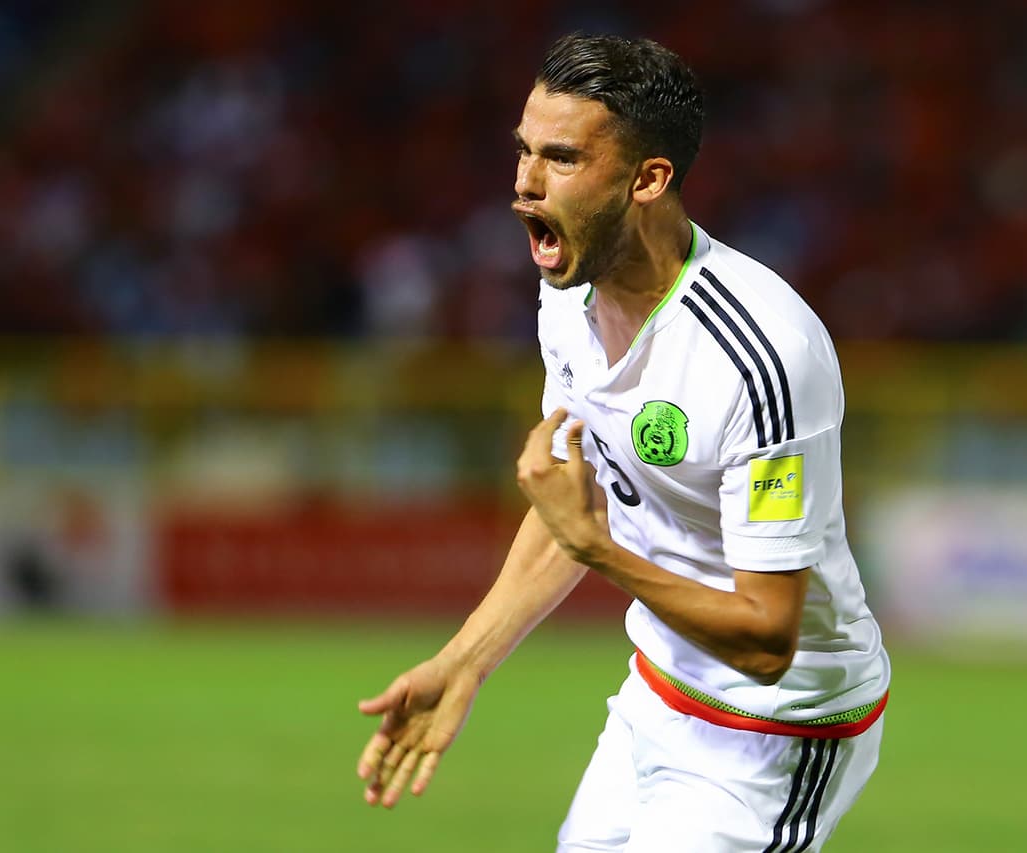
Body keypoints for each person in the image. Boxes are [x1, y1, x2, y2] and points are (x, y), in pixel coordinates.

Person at [356, 33, 890, 852]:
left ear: (648, 179)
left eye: (561, 159)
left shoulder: (762, 358)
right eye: (524, 152)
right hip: (653, 696)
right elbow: (580, 498)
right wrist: (466, 660)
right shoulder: (564, 301)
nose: (524, 185)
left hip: (777, 736)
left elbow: (767, 635)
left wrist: (599, 549)